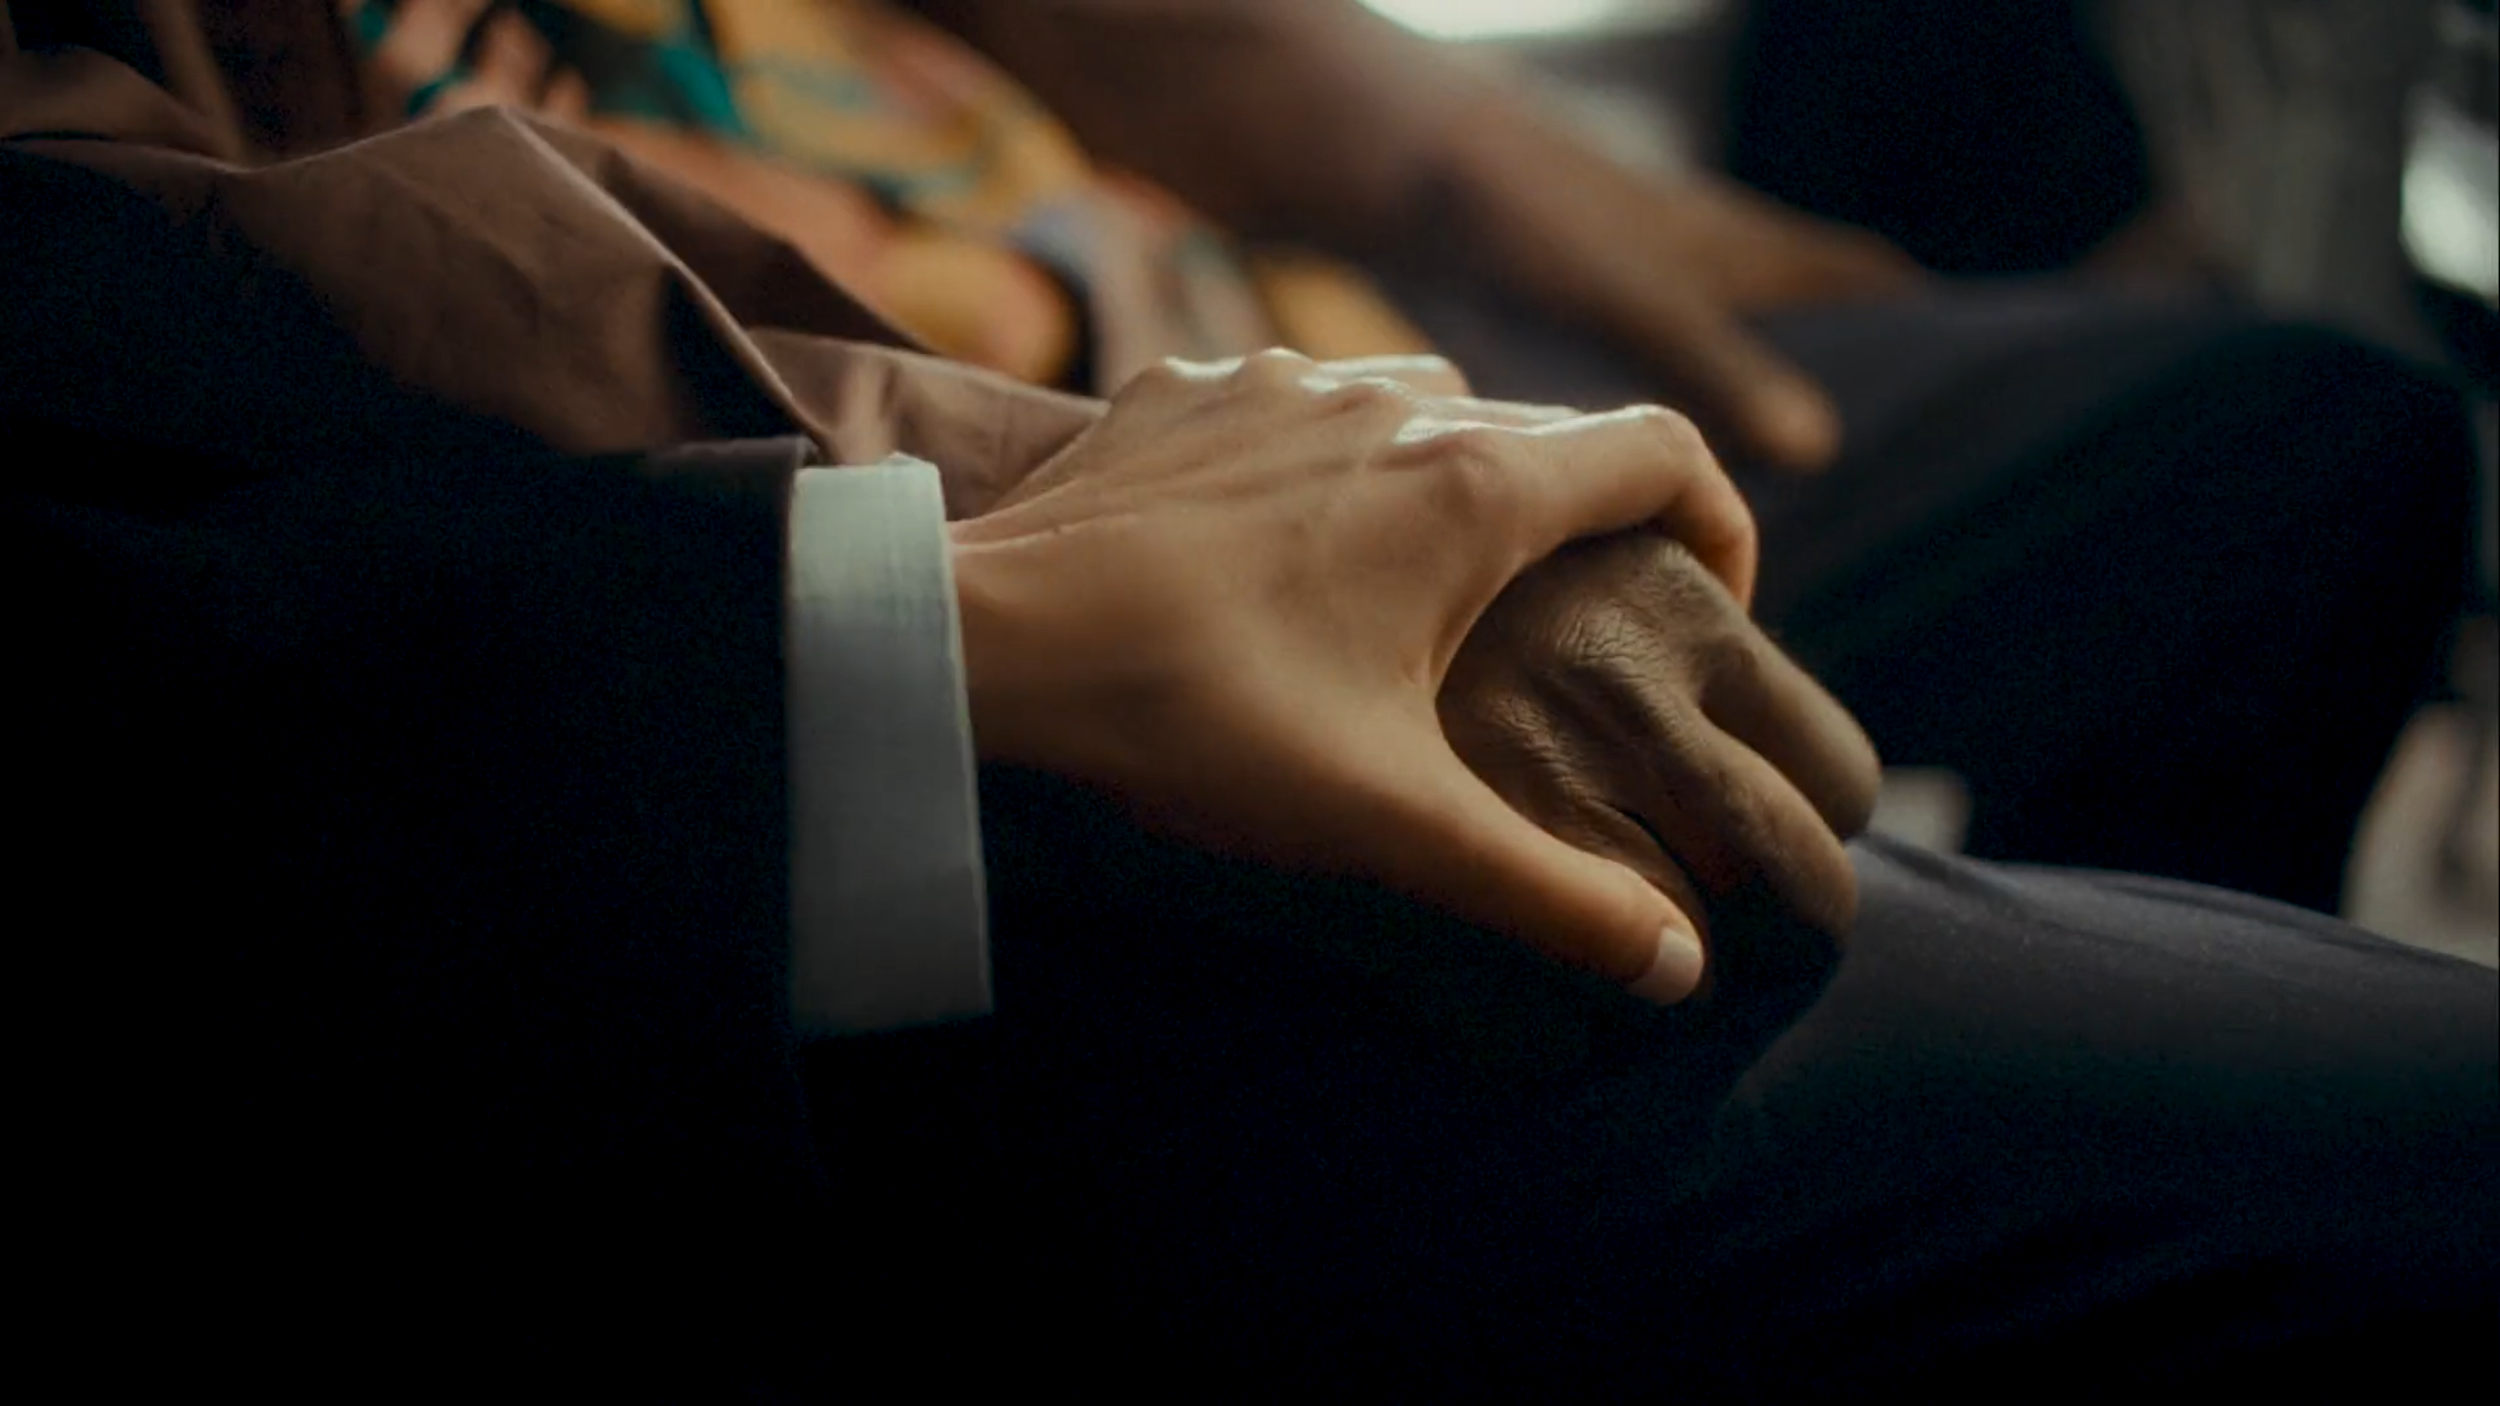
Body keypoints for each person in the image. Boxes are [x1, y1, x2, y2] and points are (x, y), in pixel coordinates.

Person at [2, 7, 2490, 1396]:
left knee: (2286, 450)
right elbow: (265, 365)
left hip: (1128, 346)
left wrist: (1384, 124)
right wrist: (1072, 539)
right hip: (744, 641)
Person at [330, 0, 2478, 913]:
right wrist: (1083, 420)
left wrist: (1462, 155)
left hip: (1323, 354)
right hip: (1032, 514)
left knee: (2288, 443)